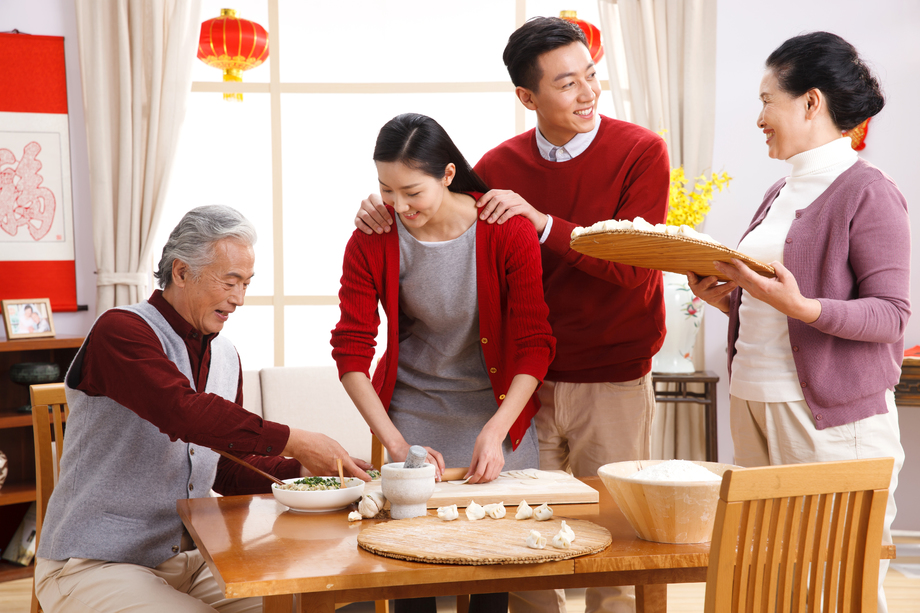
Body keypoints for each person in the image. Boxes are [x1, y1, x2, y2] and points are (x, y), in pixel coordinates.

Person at [355, 17, 670, 613]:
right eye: (567, 83)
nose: (588, 93)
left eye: (591, 76)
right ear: (528, 97)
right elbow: (436, 206)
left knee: (617, 548)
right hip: (522, 386)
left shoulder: (640, 151)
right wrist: (383, 205)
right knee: (522, 554)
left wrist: (544, 224)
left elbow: (636, 266)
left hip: (612, 378)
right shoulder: (498, 164)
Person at [34, 205, 373, 613]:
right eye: (230, 282)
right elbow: (182, 412)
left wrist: (306, 473)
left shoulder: (226, 355)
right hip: (95, 563)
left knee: (301, 605)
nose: (239, 299)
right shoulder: (120, 330)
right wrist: (296, 441)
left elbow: (226, 468)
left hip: (193, 561)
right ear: (181, 272)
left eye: (246, 284)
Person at [687, 32, 908, 613]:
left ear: (811, 102)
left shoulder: (869, 191)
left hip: (829, 422)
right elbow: (775, 304)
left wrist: (801, 306)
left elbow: (891, 315)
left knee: (837, 590)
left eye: (767, 101)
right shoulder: (780, 190)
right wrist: (727, 301)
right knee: (772, 586)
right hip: (756, 402)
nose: (759, 118)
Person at [332, 113, 555, 613]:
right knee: (413, 580)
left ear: (448, 174)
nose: (398, 206)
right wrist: (395, 443)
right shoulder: (372, 236)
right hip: (412, 419)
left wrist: (498, 430)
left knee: (493, 577)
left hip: (497, 418)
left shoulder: (506, 230)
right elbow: (351, 350)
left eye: (412, 191)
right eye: (386, 190)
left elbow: (534, 343)